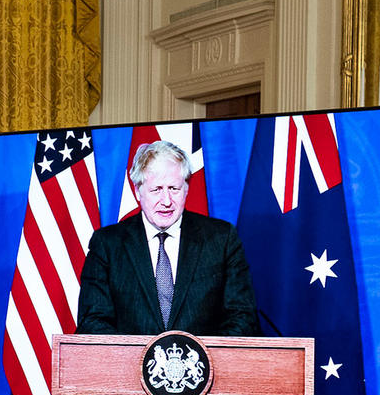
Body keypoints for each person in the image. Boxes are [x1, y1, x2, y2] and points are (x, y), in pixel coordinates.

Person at [76, 140, 259, 336]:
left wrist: (199, 361)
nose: (166, 201)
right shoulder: (107, 244)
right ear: (138, 191)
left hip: (205, 365)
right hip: (129, 365)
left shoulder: (221, 239)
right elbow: (92, 321)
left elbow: (242, 317)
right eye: (156, 190)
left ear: (186, 188)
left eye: (174, 188)